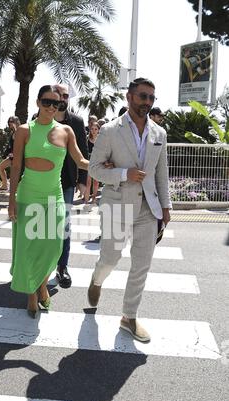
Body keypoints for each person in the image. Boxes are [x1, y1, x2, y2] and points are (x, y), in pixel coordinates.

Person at [87, 77, 172, 343]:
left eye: (151, 98)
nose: (147, 102)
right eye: (142, 96)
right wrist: (124, 173)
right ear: (130, 96)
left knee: (141, 265)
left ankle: (129, 316)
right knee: (110, 258)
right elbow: (94, 168)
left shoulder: (159, 133)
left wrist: (166, 207)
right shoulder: (111, 131)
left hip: (149, 208)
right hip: (116, 204)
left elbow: (161, 173)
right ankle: (97, 280)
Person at [8, 85, 89, 317]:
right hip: (28, 194)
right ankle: (32, 293)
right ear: (37, 103)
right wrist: (11, 200)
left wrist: (102, 165)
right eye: (47, 102)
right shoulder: (25, 130)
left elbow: (81, 160)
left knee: (53, 245)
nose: (52, 107)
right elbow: (15, 167)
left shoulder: (66, 131)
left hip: (54, 194)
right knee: (30, 246)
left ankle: (43, 283)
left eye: (57, 103)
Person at [53, 83, 89, 288]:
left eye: (66, 95)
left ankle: (62, 267)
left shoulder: (76, 121)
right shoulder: (39, 119)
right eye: (60, 95)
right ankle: (43, 266)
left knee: (63, 225)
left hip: (66, 182)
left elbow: (83, 151)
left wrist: (83, 181)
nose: (63, 98)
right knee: (43, 224)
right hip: (42, 181)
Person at [0, 116, 20, 191]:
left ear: (17, 122)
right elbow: (10, 146)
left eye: (12, 122)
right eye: (10, 122)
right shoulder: (13, 132)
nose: (11, 124)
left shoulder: (21, 131)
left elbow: (20, 144)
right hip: (13, 157)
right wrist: (5, 154)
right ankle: (4, 185)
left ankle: (16, 189)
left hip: (19, 157)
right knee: (0, 167)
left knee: (16, 173)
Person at [84, 121, 100, 204]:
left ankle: (94, 198)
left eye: (96, 129)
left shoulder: (101, 140)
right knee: (88, 181)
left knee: (96, 182)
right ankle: (86, 200)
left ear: (98, 130)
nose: (93, 131)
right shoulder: (87, 139)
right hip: (88, 161)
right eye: (92, 129)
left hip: (97, 162)